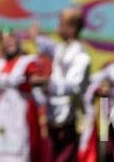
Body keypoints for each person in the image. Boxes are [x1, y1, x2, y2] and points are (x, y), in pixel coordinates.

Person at [30, 8, 92, 162]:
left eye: (61, 24)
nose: (58, 27)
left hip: (69, 120)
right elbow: (50, 47)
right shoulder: (62, 48)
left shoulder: (81, 57)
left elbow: (75, 86)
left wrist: (46, 82)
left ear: (72, 29)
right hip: (54, 117)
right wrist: (37, 37)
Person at [0, 28, 43, 162]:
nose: (8, 42)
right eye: (4, 40)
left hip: (20, 111)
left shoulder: (27, 62)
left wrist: (41, 81)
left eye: (11, 38)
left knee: (19, 146)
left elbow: (34, 77)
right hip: (2, 112)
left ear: (17, 40)